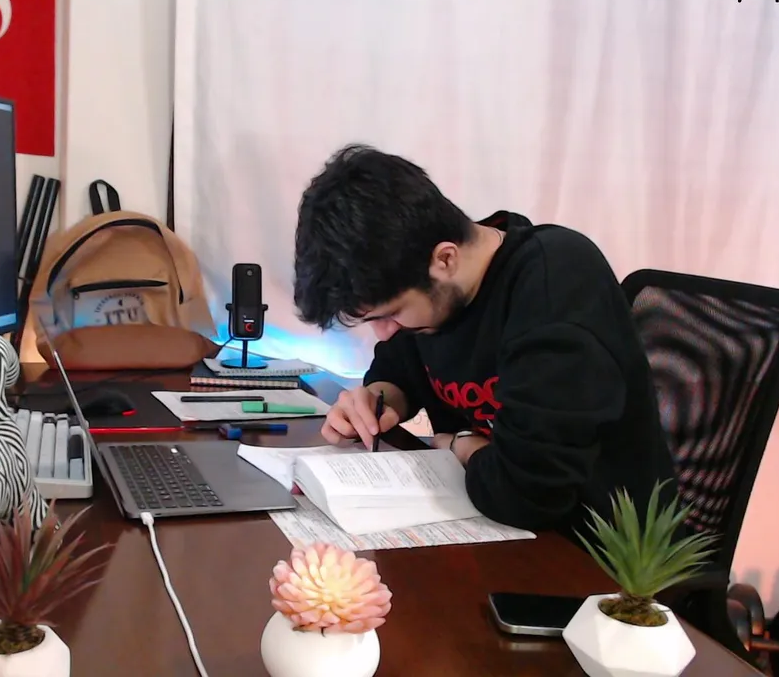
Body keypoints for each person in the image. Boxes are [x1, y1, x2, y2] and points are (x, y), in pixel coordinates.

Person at [291, 144, 679, 540]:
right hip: (489, 524)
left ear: (445, 260)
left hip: (600, 551)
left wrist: (457, 445)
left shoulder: (555, 287)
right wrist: (376, 400)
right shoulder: (423, 278)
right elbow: (398, 370)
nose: (385, 332)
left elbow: (527, 494)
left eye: (390, 314)